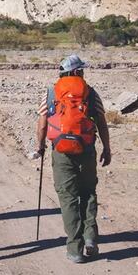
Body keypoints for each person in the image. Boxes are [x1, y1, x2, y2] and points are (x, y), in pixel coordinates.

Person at [31, 54, 111, 263]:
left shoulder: (51, 93)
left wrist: (40, 147)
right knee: (88, 193)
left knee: (68, 198)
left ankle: (75, 249)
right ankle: (90, 237)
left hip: (61, 152)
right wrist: (107, 148)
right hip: (86, 150)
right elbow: (101, 123)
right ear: (77, 72)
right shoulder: (91, 93)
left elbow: (42, 124)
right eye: (81, 70)